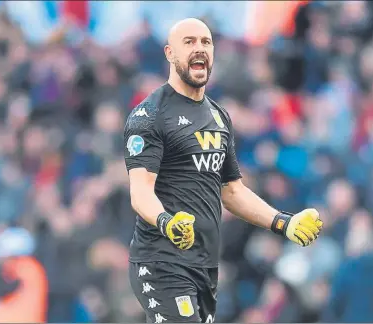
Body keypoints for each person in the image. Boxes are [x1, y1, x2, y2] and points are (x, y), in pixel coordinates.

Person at [124, 18, 323, 323]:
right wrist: (167, 222)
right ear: (169, 53)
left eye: (206, 42)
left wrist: (284, 222)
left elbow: (232, 191)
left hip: (203, 265)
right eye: (189, 42)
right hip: (161, 261)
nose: (199, 49)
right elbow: (140, 192)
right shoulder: (149, 115)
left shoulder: (218, 117)